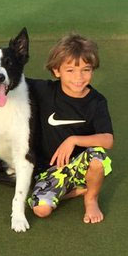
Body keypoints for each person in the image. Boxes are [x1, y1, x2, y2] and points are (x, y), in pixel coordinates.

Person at [27, 33, 114, 223]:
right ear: (56, 71)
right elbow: (10, 80)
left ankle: (91, 199)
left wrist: (73, 140)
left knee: (98, 157)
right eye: (70, 71)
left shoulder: (97, 101)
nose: (79, 77)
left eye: (86, 70)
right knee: (41, 210)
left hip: (79, 165)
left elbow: (108, 140)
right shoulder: (45, 91)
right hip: (50, 168)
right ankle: (75, 190)